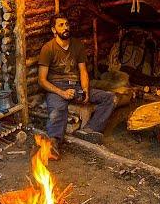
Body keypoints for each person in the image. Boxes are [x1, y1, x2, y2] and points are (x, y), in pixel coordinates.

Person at [37, 13, 116, 156]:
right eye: (61, 25)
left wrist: (85, 89)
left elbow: (83, 71)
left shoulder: (77, 45)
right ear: (54, 30)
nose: (65, 28)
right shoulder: (48, 48)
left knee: (109, 98)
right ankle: (53, 143)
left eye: (67, 24)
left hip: (75, 85)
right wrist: (62, 93)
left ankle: (89, 130)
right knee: (57, 111)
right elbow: (42, 80)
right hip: (56, 88)